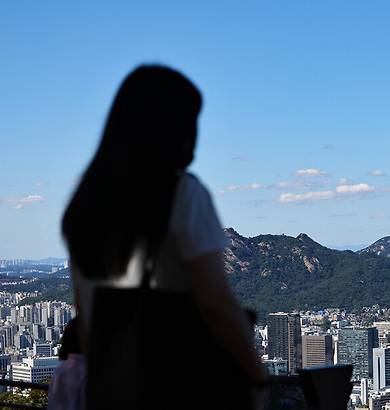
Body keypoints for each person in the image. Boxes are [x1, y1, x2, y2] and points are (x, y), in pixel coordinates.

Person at [61, 65, 266, 408]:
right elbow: (215, 303)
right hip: (178, 388)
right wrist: (257, 378)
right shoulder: (181, 193)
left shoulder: (86, 201)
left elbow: (86, 314)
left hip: (109, 390)